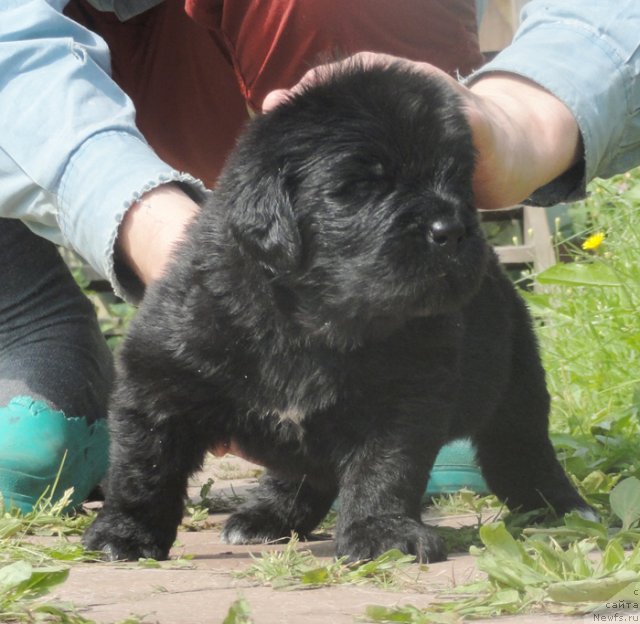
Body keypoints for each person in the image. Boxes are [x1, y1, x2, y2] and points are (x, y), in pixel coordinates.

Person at [0, 0, 638, 512]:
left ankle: (359, 438)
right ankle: (28, 324)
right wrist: (167, 242)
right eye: (369, 185)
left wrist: (519, 120)